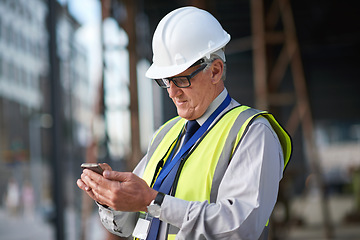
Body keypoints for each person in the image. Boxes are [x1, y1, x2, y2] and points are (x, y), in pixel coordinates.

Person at [77, 6, 292, 240]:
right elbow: (130, 225)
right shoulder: (165, 134)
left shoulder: (252, 133)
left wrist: (152, 201)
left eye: (181, 79)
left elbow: (239, 228)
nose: (172, 93)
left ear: (215, 71)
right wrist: (111, 199)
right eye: (166, 81)